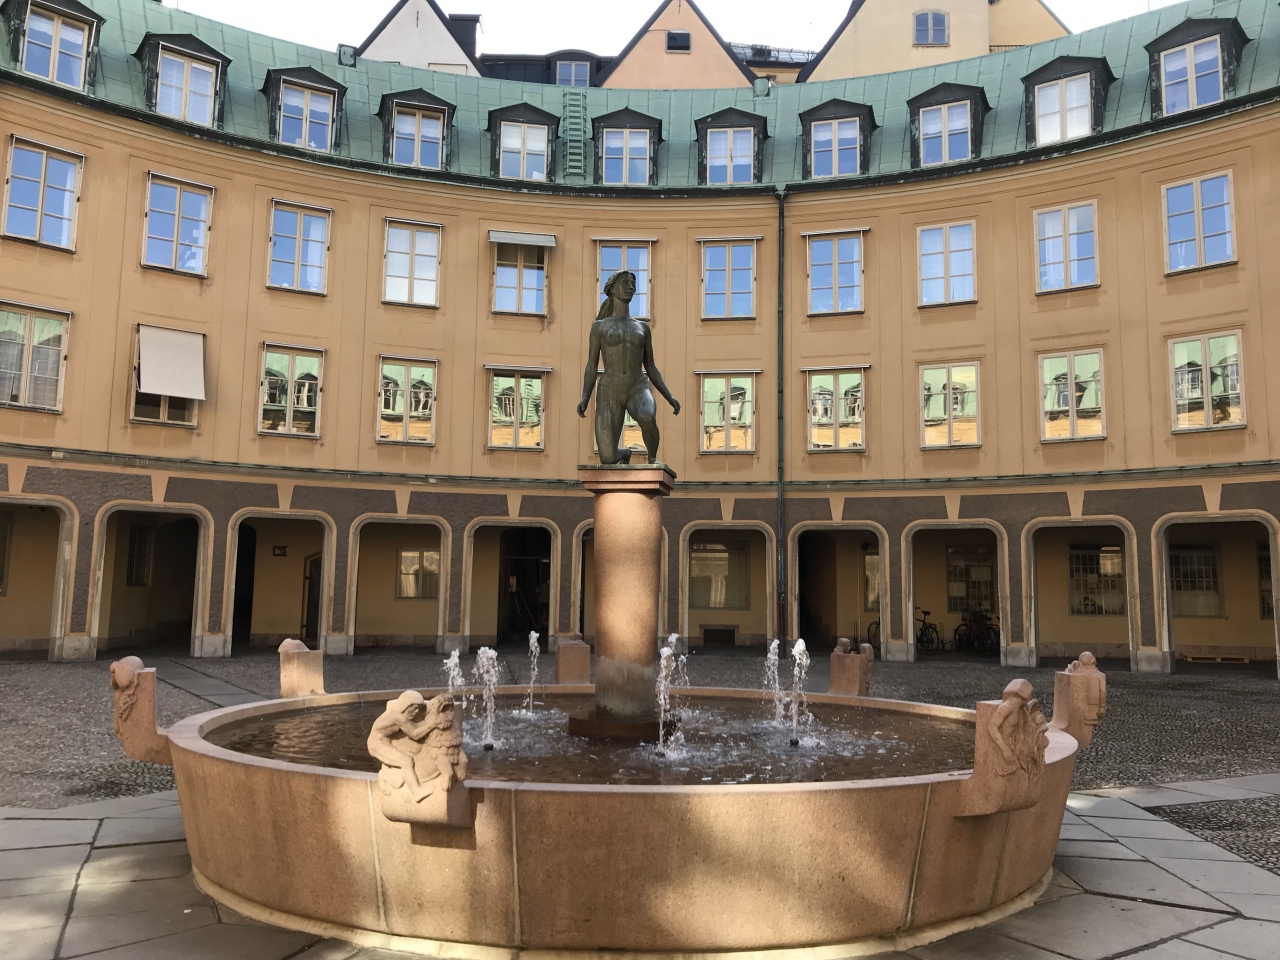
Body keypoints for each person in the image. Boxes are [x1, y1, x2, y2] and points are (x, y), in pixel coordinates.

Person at [577, 270, 680, 464]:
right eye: (625, 282)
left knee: (647, 417)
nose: (630, 286)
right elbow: (591, 366)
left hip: (637, 386)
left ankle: (652, 458)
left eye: (633, 283)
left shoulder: (642, 328)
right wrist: (585, 397)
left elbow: (651, 367)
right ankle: (624, 454)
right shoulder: (599, 327)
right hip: (609, 390)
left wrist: (669, 396)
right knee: (608, 458)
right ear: (612, 289)